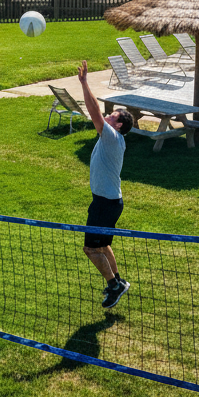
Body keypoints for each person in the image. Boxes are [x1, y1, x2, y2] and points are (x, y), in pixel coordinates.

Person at [76, 60, 136, 309]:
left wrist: (84, 83)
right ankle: (119, 282)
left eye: (112, 115)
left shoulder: (112, 137)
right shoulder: (112, 137)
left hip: (105, 204)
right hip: (110, 202)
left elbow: (93, 112)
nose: (107, 116)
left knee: (91, 249)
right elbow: (97, 114)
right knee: (104, 244)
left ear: (118, 124)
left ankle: (113, 286)